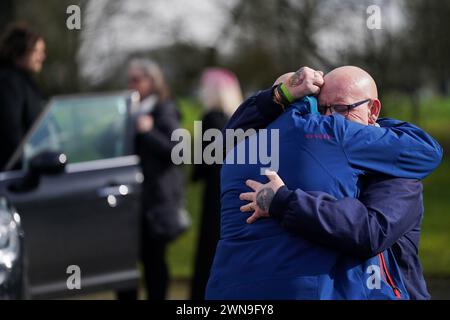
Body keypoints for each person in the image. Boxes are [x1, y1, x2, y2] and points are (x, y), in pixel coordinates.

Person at [205, 66, 443, 299]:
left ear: (373, 111)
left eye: (341, 108)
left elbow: (371, 231)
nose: (329, 117)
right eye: (321, 109)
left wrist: (284, 201)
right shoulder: (325, 139)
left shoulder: (397, 170)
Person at [117, 58, 184, 300]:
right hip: (131, 199)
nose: (131, 84)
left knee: (154, 261)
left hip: (154, 202)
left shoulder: (163, 110)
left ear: (152, 81)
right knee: (125, 262)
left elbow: (178, 152)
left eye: (136, 79)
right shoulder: (129, 111)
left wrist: (148, 132)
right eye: (129, 80)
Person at [190, 68, 243, 300]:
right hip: (233, 191)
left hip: (214, 194)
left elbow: (201, 164)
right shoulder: (238, 120)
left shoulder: (210, 118)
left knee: (208, 252)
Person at [0, 22, 46, 170]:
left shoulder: (27, 84)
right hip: (17, 173)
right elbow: (11, 134)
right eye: (36, 51)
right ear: (19, 52)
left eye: (42, 51)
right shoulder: (9, 83)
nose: (42, 56)